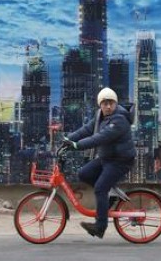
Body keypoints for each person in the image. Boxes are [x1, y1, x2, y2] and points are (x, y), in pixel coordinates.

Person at [62, 86, 135, 239]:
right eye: (104, 103)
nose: (108, 106)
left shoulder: (119, 120)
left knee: (100, 188)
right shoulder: (100, 115)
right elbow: (86, 129)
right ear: (100, 104)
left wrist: (77, 145)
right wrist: (69, 138)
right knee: (84, 174)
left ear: (115, 104)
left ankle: (100, 226)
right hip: (107, 158)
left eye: (111, 103)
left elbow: (99, 138)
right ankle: (110, 194)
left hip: (120, 161)